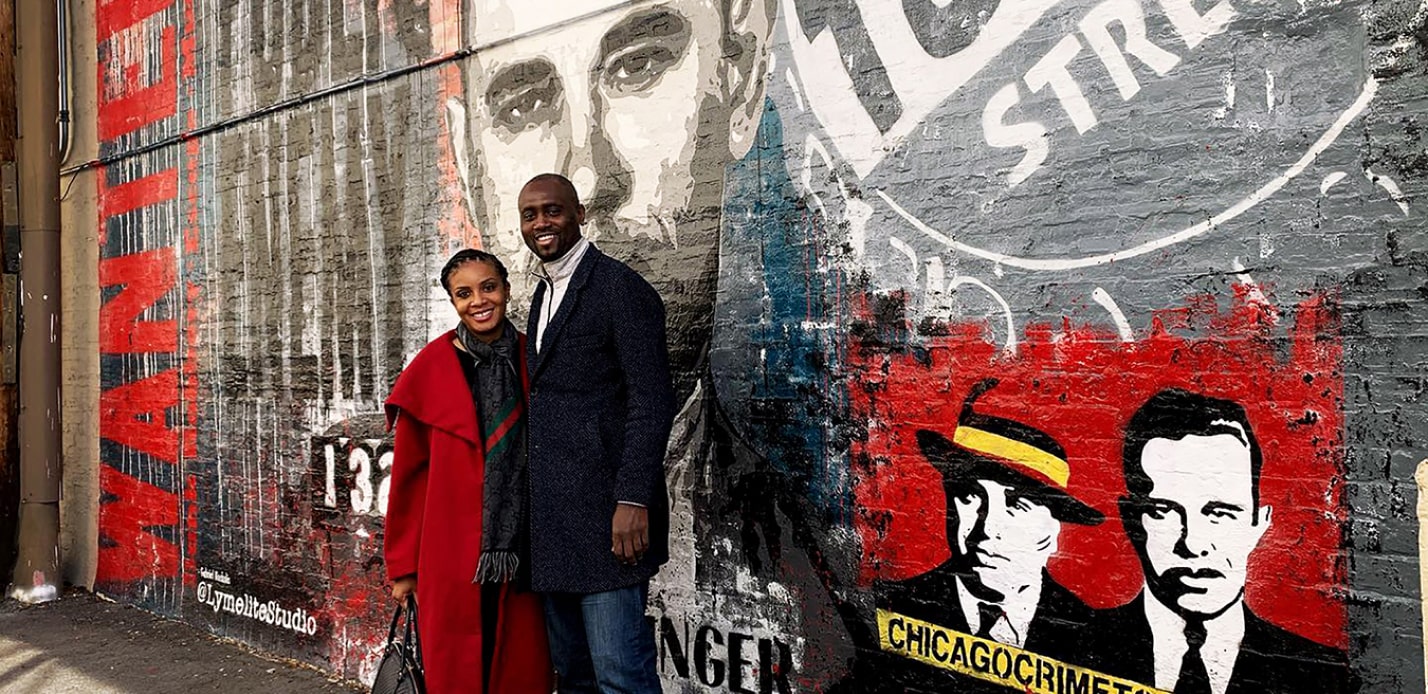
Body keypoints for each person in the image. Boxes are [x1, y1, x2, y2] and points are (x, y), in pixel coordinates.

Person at [519, 173, 677, 693]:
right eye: (530, 214)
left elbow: (651, 403)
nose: (541, 223)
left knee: (621, 676)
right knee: (576, 675)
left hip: (611, 522)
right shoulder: (541, 295)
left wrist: (633, 498)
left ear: (580, 214)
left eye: (553, 210)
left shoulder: (620, 290)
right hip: (555, 525)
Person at [1094, 388, 1352, 694]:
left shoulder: (1325, 679)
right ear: (1130, 519)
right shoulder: (1072, 648)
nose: (1193, 543)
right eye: (1163, 511)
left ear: (1258, 522)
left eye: (1220, 513)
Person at [383, 249, 553, 694]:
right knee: (456, 668)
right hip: (450, 552)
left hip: (523, 543)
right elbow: (408, 476)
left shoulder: (533, 356)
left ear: (506, 290)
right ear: (452, 302)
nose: (478, 300)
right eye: (464, 293)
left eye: (488, 287)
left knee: (520, 664)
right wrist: (403, 566)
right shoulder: (432, 368)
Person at [863, 379, 1105, 691]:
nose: (987, 528)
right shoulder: (891, 611)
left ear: (1053, 531)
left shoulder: (1095, 639)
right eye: (968, 496)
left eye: (1018, 503)